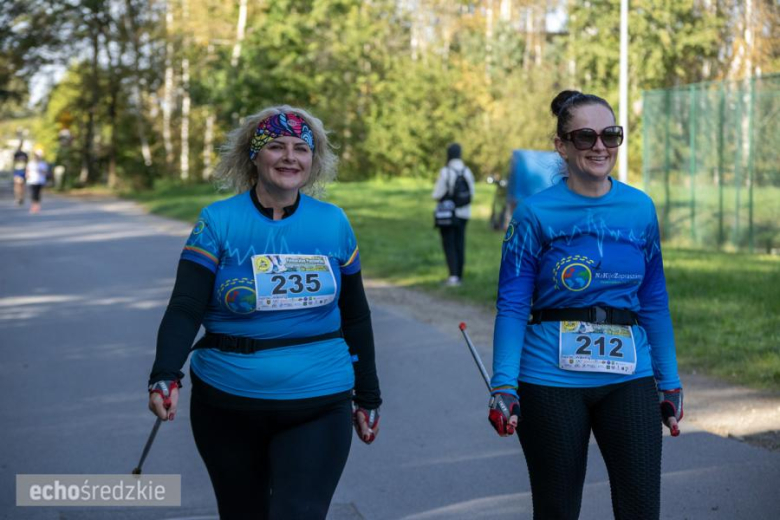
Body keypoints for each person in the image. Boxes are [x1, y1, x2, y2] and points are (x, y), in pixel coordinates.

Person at [145, 106, 382, 519]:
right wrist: (165, 374)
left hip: (319, 399)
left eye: (300, 148)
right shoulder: (218, 221)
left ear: (313, 160)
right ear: (254, 155)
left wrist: (368, 396)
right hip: (228, 402)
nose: (290, 157)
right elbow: (186, 306)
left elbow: (356, 315)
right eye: (276, 146)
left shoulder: (333, 222)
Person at [488, 90, 683, 520]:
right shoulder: (534, 213)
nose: (600, 146)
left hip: (629, 375)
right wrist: (504, 387)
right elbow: (513, 305)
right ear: (561, 145)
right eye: (585, 136)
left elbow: (654, 300)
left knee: (641, 509)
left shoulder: (640, 208)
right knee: (557, 510)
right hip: (550, 379)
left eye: (610, 135)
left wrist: (670, 383)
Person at [431, 143, 475, 286]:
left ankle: (453, 276)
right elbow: (472, 193)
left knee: (449, 244)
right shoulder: (467, 171)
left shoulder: (446, 171)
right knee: (460, 243)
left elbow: (437, 194)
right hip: (465, 213)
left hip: (449, 215)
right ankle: (460, 275)